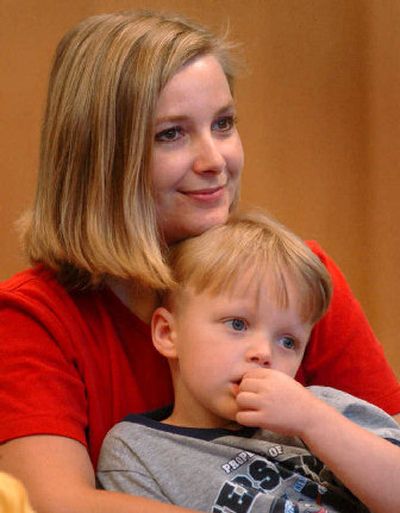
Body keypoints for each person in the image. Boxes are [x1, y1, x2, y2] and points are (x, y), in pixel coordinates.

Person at [0, 8, 398, 513]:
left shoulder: (291, 276)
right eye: (172, 134)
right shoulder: (33, 316)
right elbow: (55, 504)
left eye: (223, 124)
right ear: (101, 158)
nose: (216, 160)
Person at [97, 211, 400, 513]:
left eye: (288, 342)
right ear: (168, 333)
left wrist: (313, 421)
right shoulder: (137, 451)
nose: (264, 353)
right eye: (238, 324)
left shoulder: (325, 409)